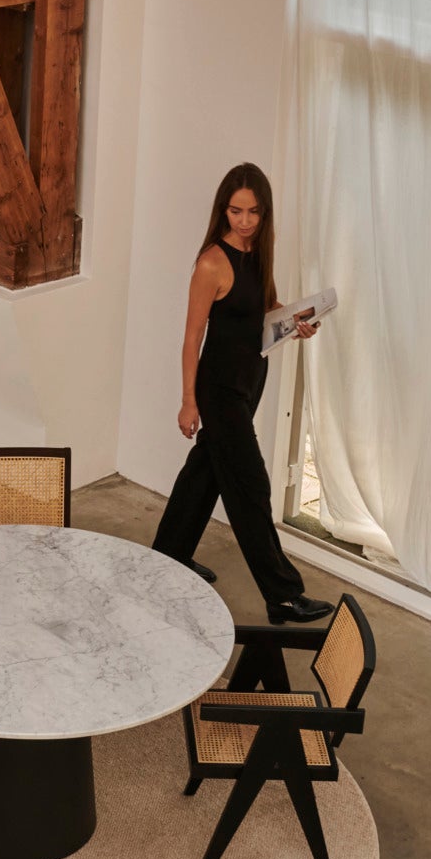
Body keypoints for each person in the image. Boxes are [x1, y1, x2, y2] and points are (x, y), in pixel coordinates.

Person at [151, 163, 334, 624]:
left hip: (250, 380)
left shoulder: (258, 252)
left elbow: (263, 308)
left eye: (253, 212)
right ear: (223, 209)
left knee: (205, 473)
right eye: (236, 211)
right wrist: (188, 401)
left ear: (264, 212)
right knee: (251, 487)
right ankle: (283, 596)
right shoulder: (212, 262)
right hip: (219, 389)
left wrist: (297, 320)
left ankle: (167, 558)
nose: (245, 220)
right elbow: (192, 337)